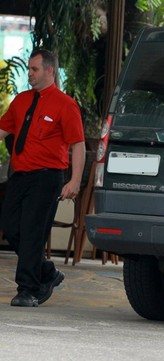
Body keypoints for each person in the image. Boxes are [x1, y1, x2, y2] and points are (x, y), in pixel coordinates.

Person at [0, 49, 86, 307]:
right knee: (11, 226)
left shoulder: (65, 104)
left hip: (47, 178)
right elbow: (3, 129)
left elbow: (78, 145)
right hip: (20, 176)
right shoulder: (21, 100)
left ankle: (28, 289)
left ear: (50, 70)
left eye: (34, 69)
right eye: (28, 69)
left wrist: (75, 180)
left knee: (31, 232)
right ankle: (47, 272)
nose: (30, 74)